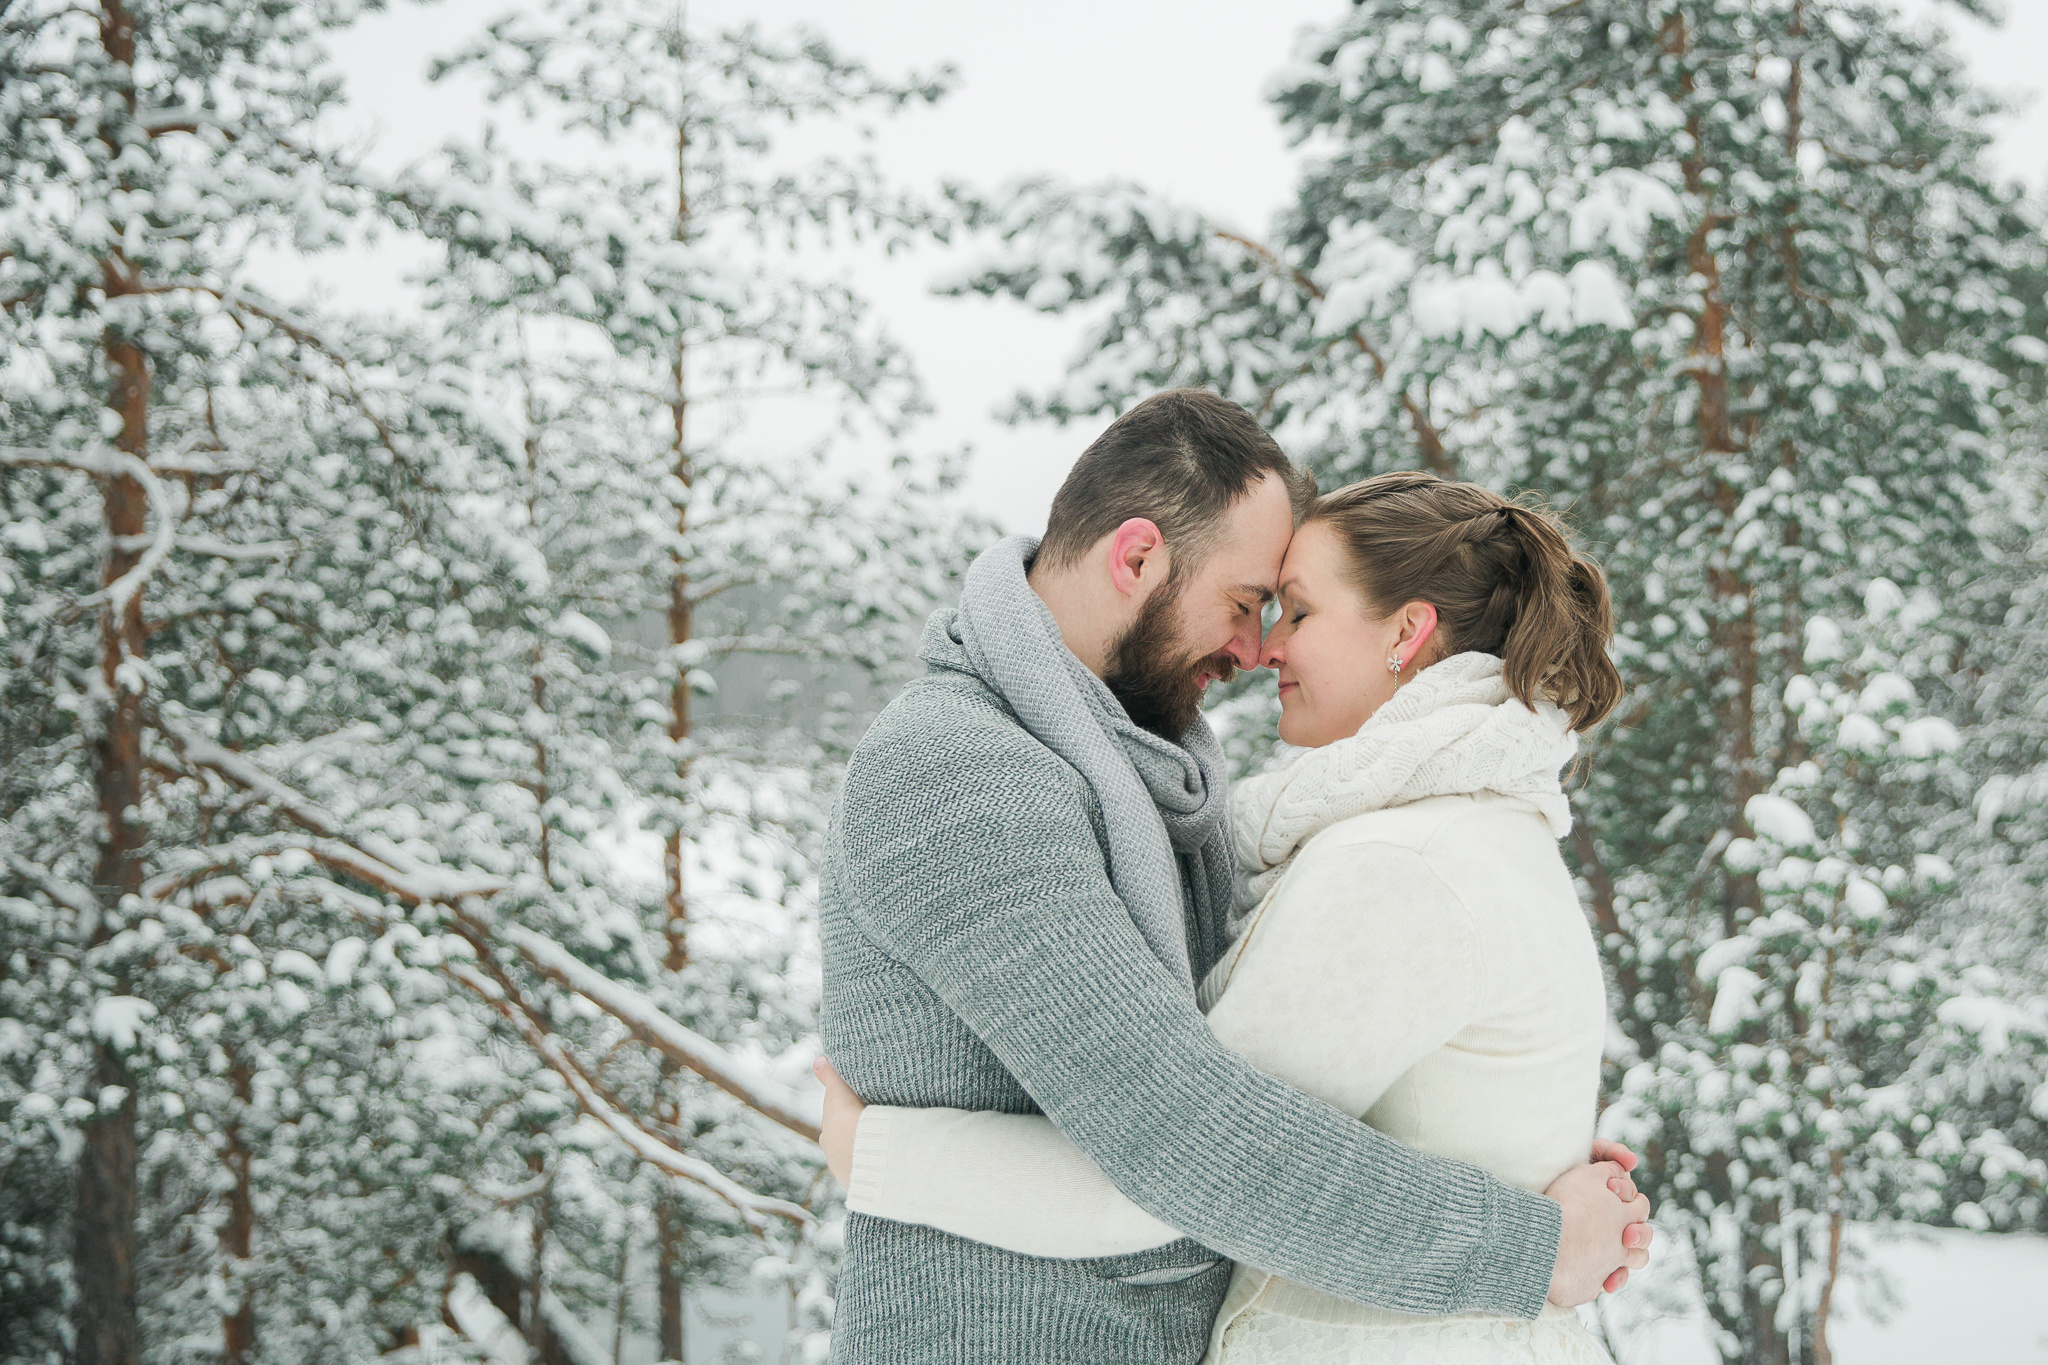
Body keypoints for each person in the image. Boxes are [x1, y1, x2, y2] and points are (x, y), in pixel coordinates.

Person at [815, 392, 1651, 1365]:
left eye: (1287, 612)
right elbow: (1185, 1137)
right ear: (1135, 559)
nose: (1257, 650)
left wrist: (1497, 1152)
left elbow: (1238, 1103)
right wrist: (1526, 1244)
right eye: (1250, 602)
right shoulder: (961, 770)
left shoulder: (1160, 774)